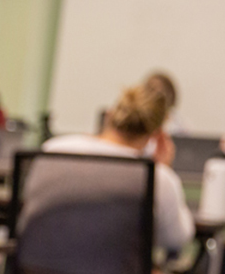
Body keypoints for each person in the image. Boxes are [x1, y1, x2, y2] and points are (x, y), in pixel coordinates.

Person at [44, 84, 195, 251]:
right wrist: (166, 170)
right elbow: (176, 239)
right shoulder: (156, 177)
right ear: (156, 135)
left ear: (109, 116)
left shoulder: (54, 149)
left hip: (38, 272)